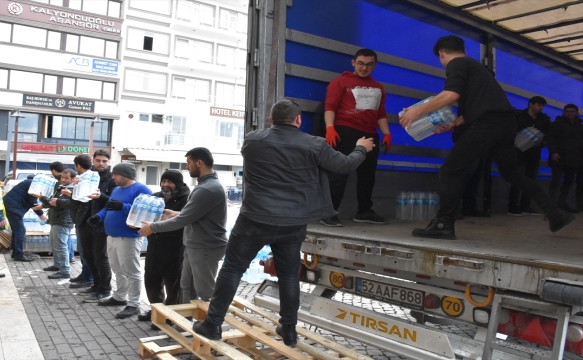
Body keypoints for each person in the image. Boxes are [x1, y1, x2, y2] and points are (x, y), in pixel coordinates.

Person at [191, 99, 374, 345]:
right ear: (298, 120)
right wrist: (361, 147)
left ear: (271, 120)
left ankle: (213, 324)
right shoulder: (314, 145)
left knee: (232, 269)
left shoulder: (252, 140)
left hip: (254, 220)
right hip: (292, 223)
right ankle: (288, 330)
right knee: (288, 276)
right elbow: (345, 165)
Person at [399, 35, 574, 239]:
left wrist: (417, 111)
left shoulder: (456, 63)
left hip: (487, 125)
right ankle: (555, 213)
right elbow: (482, 104)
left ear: (442, 54)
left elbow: (450, 94)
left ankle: (443, 223)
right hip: (505, 124)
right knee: (512, 174)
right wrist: (455, 123)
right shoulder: (476, 68)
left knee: (449, 170)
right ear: (463, 49)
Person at [138, 147, 228, 307]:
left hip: (206, 247)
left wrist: (153, 227)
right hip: (194, 246)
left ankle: (213, 325)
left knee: (205, 291)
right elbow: (191, 214)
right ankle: (184, 324)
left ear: (199, 163)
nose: (187, 166)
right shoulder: (204, 186)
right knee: (186, 287)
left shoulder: (208, 189)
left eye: (188, 162)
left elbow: (184, 220)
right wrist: (174, 212)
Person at [321, 48, 391, 227]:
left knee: (368, 175)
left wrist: (387, 133)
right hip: (345, 130)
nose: (364, 68)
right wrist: (330, 128)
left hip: (370, 133)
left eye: (369, 65)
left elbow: (380, 113)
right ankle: (329, 213)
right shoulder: (340, 82)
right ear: (353, 62)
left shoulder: (378, 88)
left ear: (375, 65)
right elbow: (330, 106)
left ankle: (364, 211)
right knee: (339, 172)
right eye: (360, 63)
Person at [88, 163, 151, 319]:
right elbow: (109, 207)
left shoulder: (141, 190)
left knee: (131, 271)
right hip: (112, 236)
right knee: (118, 269)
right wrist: (99, 217)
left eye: (115, 174)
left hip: (128, 237)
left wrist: (123, 206)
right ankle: (120, 296)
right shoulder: (116, 190)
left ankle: (134, 304)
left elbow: (147, 211)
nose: (113, 177)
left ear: (125, 175)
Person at [138, 170, 190, 325]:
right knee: (151, 280)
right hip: (154, 245)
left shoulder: (187, 199)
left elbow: (188, 218)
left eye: (170, 182)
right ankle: (156, 311)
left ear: (178, 184)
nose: (165, 185)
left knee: (173, 284)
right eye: (163, 181)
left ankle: (169, 315)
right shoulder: (155, 197)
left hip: (175, 247)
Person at [69, 151, 115, 301]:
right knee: (88, 255)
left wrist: (101, 196)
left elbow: (113, 202)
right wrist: (74, 188)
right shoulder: (85, 176)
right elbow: (77, 200)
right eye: (98, 161)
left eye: (104, 161)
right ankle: (96, 284)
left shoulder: (111, 179)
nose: (101, 164)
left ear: (108, 162)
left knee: (100, 257)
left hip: (100, 223)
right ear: (93, 161)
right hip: (84, 221)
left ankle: (105, 288)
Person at [508, 96, 551, 216]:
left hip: (534, 152)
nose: (541, 108)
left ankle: (525, 206)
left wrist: (542, 143)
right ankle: (513, 206)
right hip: (519, 152)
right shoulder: (519, 117)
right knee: (519, 179)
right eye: (539, 105)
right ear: (531, 104)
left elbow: (548, 135)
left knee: (530, 179)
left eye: (542, 105)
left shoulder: (543, 119)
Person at [37, 168, 77, 279]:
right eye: (62, 177)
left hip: (63, 220)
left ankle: (65, 270)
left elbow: (57, 204)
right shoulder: (61, 188)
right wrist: (45, 202)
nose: (63, 180)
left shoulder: (71, 190)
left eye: (66, 178)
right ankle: (57, 264)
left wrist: (42, 198)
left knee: (61, 246)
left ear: (73, 179)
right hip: (56, 219)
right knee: (55, 245)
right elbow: (52, 202)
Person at [62, 155, 94, 290]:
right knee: (82, 250)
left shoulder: (88, 179)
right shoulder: (83, 179)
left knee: (86, 251)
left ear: (78, 166)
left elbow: (81, 200)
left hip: (86, 220)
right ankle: (84, 274)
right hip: (80, 220)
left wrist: (71, 193)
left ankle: (88, 277)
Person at [3, 175, 48, 261]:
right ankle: (19, 254)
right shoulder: (33, 185)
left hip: (11, 206)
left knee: (16, 230)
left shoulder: (29, 183)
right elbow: (33, 202)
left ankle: (15, 252)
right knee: (20, 230)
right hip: (13, 207)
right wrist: (41, 214)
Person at [547, 104, 582, 213]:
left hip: (573, 158)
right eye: (567, 111)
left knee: (568, 180)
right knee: (556, 180)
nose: (569, 113)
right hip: (560, 157)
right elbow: (551, 139)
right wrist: (554, 151)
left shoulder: (579, 126)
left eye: (572, 111)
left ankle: (561, 203)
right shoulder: (557, 124)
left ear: (576, 112)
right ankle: (551, 204)